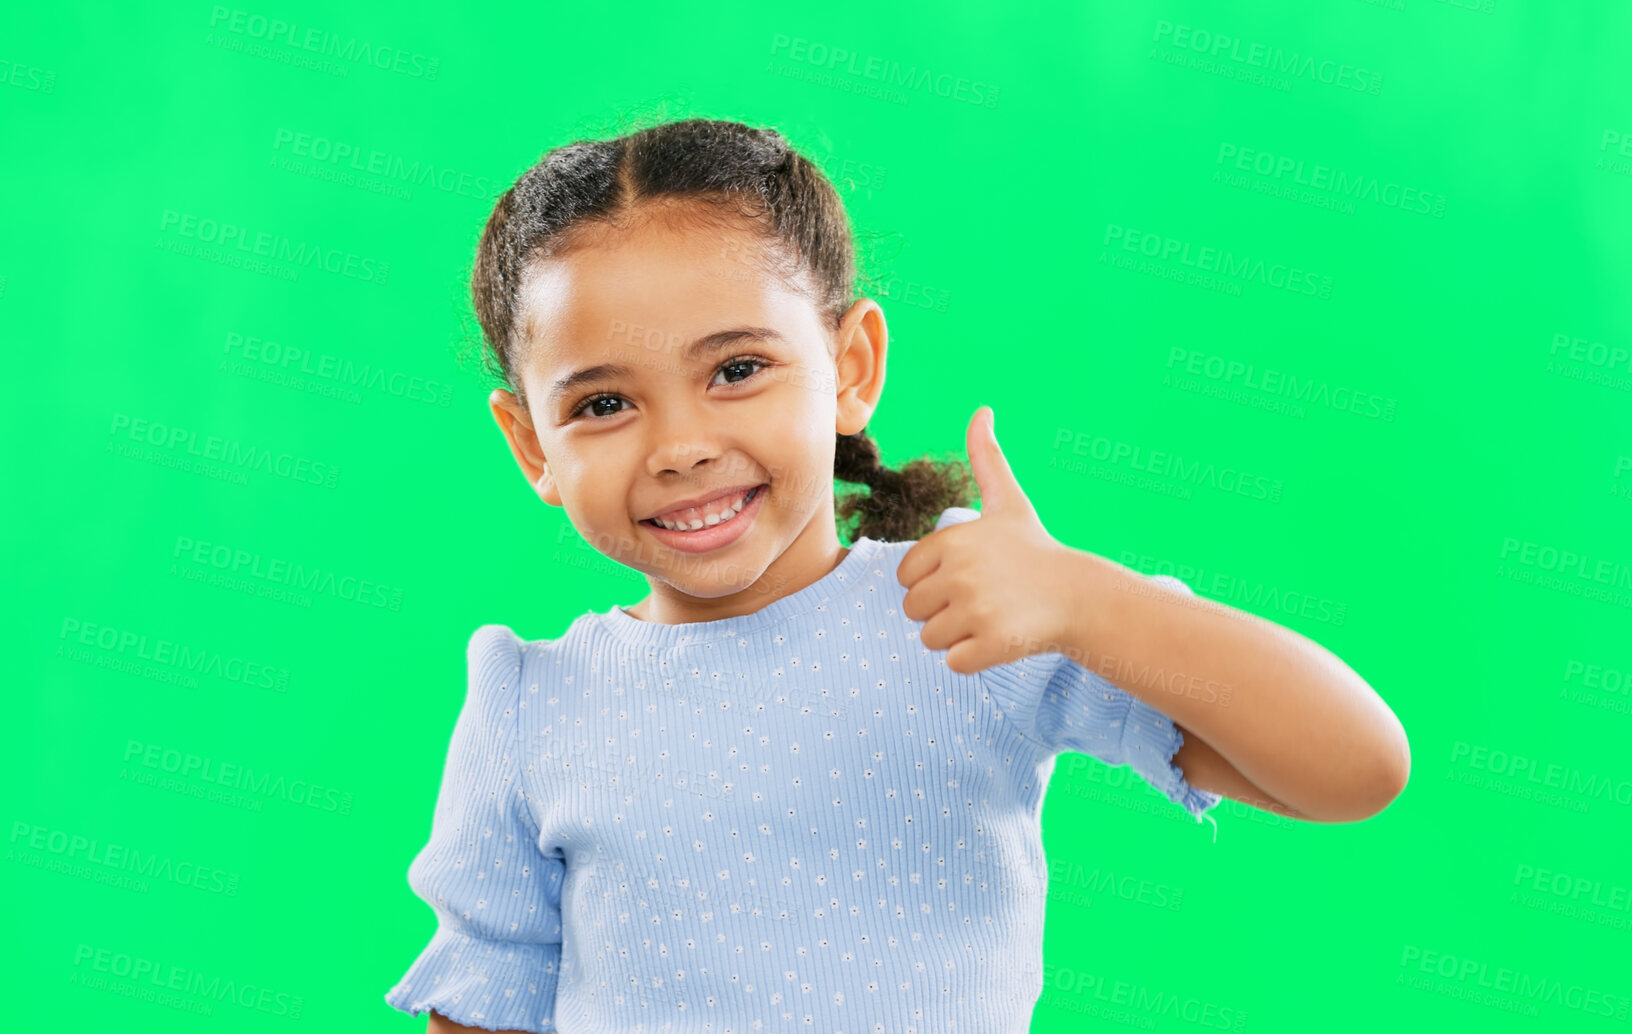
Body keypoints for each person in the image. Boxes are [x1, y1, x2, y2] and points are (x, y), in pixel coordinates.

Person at [386, 117, 1409, 1033]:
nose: (681, 444)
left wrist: (1084, 601)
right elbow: (487, 1006)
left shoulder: (973, 614)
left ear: (852, 366)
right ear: (531, 444)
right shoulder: (532, 702)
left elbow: (1356, 764)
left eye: (736, 369)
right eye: (603, 403)